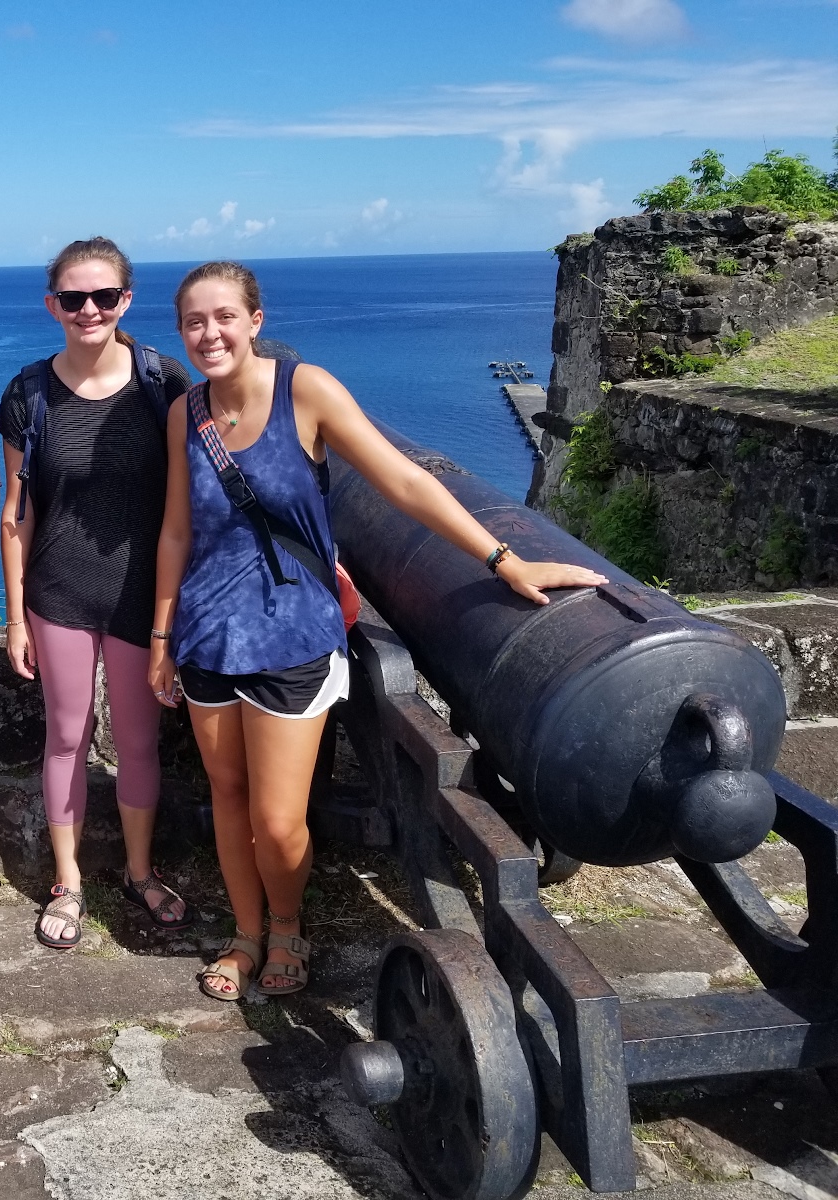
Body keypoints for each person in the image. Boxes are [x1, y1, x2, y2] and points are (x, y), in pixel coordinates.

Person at [148, 260, 607, 1000]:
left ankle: (288, 925)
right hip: (209, 633)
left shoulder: (306, 391)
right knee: (228, 797)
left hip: (292, 634)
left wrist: (504, 559)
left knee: (278, 819)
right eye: (194, 321)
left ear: (255, 321)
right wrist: (163, 637)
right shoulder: (186, 415)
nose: (210, 334)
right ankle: (245, 933)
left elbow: (405, 481)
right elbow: (177, 530)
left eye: (225, 316)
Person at [0, 237, 195, 949]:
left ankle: (140, 871)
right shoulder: (28, 393)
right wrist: (13, 616)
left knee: (139, 743)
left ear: (125, 301)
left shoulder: (162, 382)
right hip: (59, 592)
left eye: (104, 296)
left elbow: (187, 501)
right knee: (66, 737)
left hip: (142, 595)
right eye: (74, 298)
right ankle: (69, 881)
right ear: (52, 304)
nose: (89, 309)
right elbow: (17, 514)